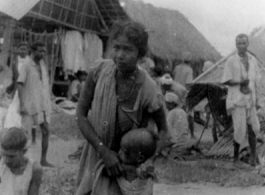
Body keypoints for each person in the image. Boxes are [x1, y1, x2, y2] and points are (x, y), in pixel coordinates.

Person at [75, 20, 169, 195]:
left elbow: (163, 130)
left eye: (127, 49)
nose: (119, 55)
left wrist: (150, 160)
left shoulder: (148, 90)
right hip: (97, 154)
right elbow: (80, 115)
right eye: (116, 47)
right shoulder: (99, 71)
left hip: (128, 165)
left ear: (140, 55)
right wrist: (103, 150)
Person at [222, 34, 261, 167]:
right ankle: (236, 159)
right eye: (239, 43)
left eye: (244, 43)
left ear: (247, 44)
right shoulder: (231, 60)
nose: (241, 46)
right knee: (239, 129)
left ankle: (253, 159)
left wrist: (256, 99)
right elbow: (227, 80)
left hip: (250, 98)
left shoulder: (252, 60)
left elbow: (256, 80)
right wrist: (240, 82)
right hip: (237, 99)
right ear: (236, 44)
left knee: (253, 128)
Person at [17, 41, 53, 167]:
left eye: (44, 51)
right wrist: (21, 104)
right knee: (25, 135)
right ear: (32, 51)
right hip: (29, 104)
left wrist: (50, 100)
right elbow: (20, 84)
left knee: (46, 130)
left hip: (42, 104)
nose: (42, 53)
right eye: (40, 51)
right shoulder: (26, 65)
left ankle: (43, 160)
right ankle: (21, 161)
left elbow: (44, 84)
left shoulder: (42, 65)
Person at [92, 128, 157, 195]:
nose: (119, 152)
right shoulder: (121, 163)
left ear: (140, 158)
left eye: (125, 152)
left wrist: (146, 171)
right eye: (120, 148)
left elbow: (151, 175)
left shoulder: (142, 168)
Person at [4, 43, 37, 144]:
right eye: (21, 49)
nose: (23, 51)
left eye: (24, 49)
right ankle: (17, 137)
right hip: (18, 90)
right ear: (18, 50)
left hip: (30, 90)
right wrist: (9, 89)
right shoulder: (15, 62)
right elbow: (15, 79)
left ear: (27, 50)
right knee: (15, 112)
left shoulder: (30, 62)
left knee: (31, 113)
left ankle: (33, 139)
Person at [0, 127, 43, 195]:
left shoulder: (33, 169)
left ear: (23, 151)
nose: (6, 160)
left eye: (11, 157)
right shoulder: (1, 161)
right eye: (4, 154)